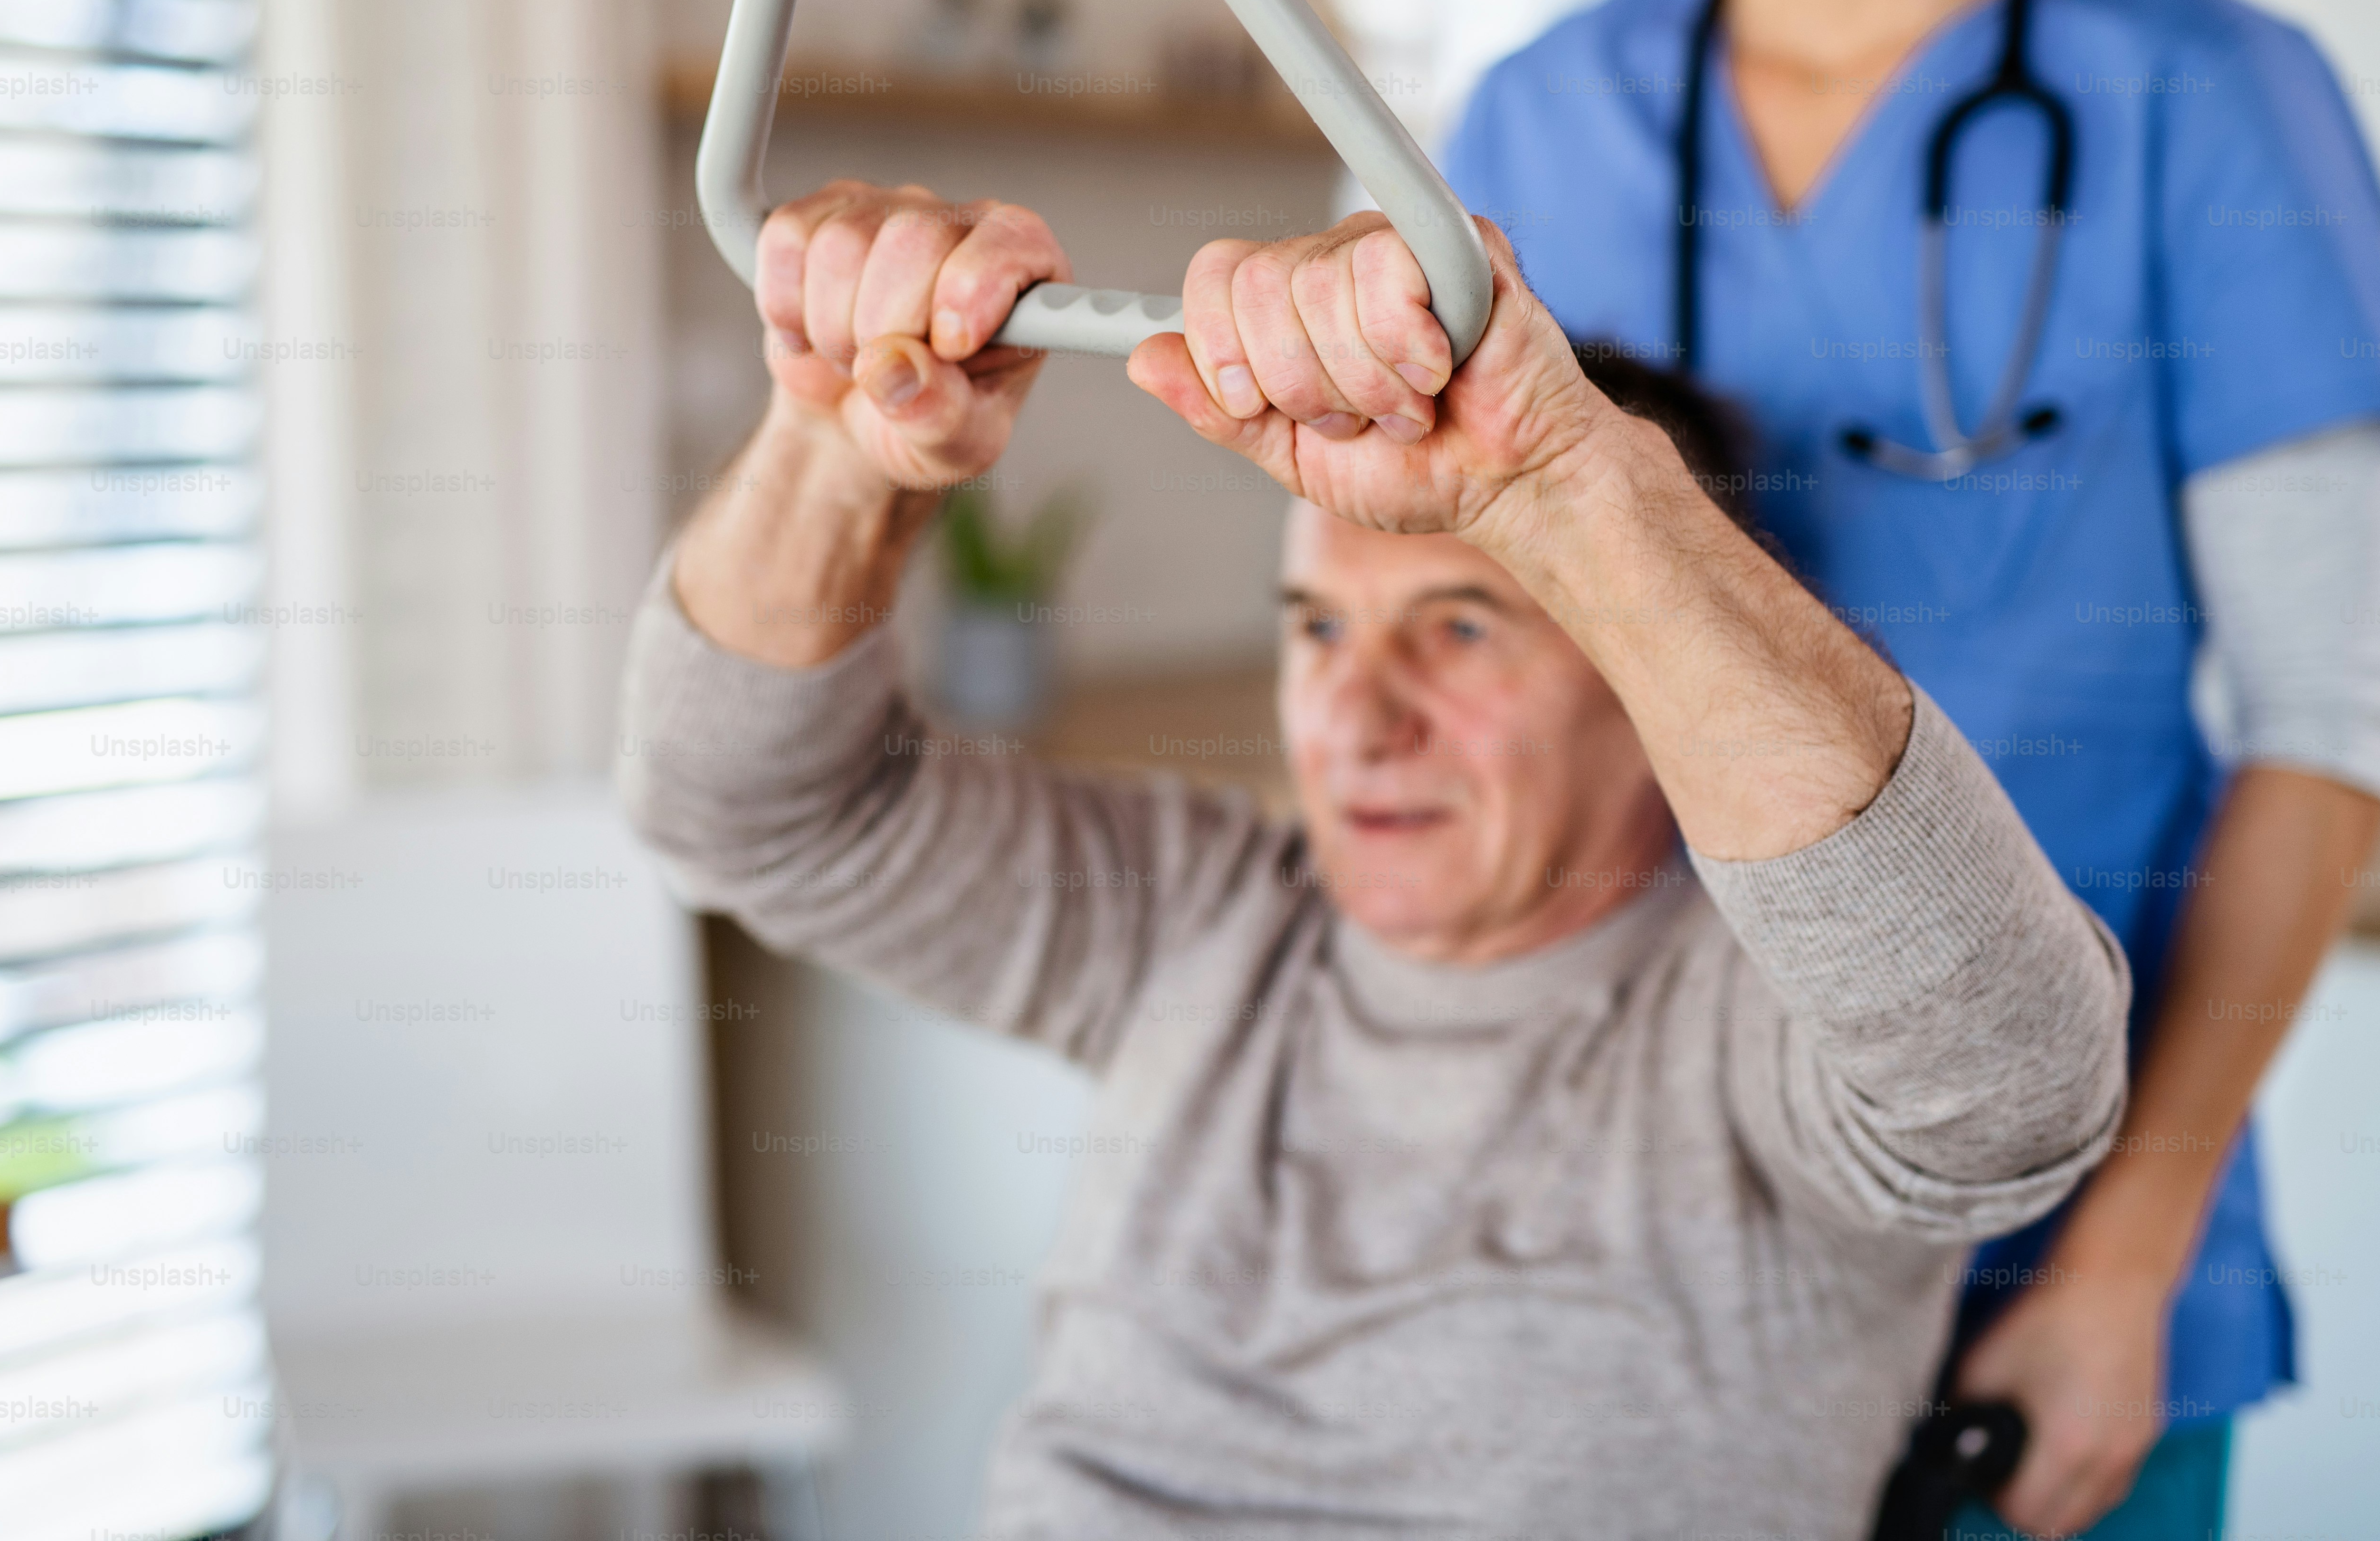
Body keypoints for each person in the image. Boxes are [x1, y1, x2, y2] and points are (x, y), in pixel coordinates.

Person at [619, 179, 2131, 1538]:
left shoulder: (1760, 1039)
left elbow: (2017, 1082)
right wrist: (834, 446)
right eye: (1320, 630)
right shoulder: (1212, 922)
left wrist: (1566, 487)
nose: (1357, 717)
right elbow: (740, 810)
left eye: (1460, 629)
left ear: (1650, 674)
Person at [1434, 0, 2380, 1534]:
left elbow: (2326, 724)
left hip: (2061, 1271)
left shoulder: (2209, 98)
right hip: (1633, 1238)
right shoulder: (1537, 120)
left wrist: (2127, 1262)